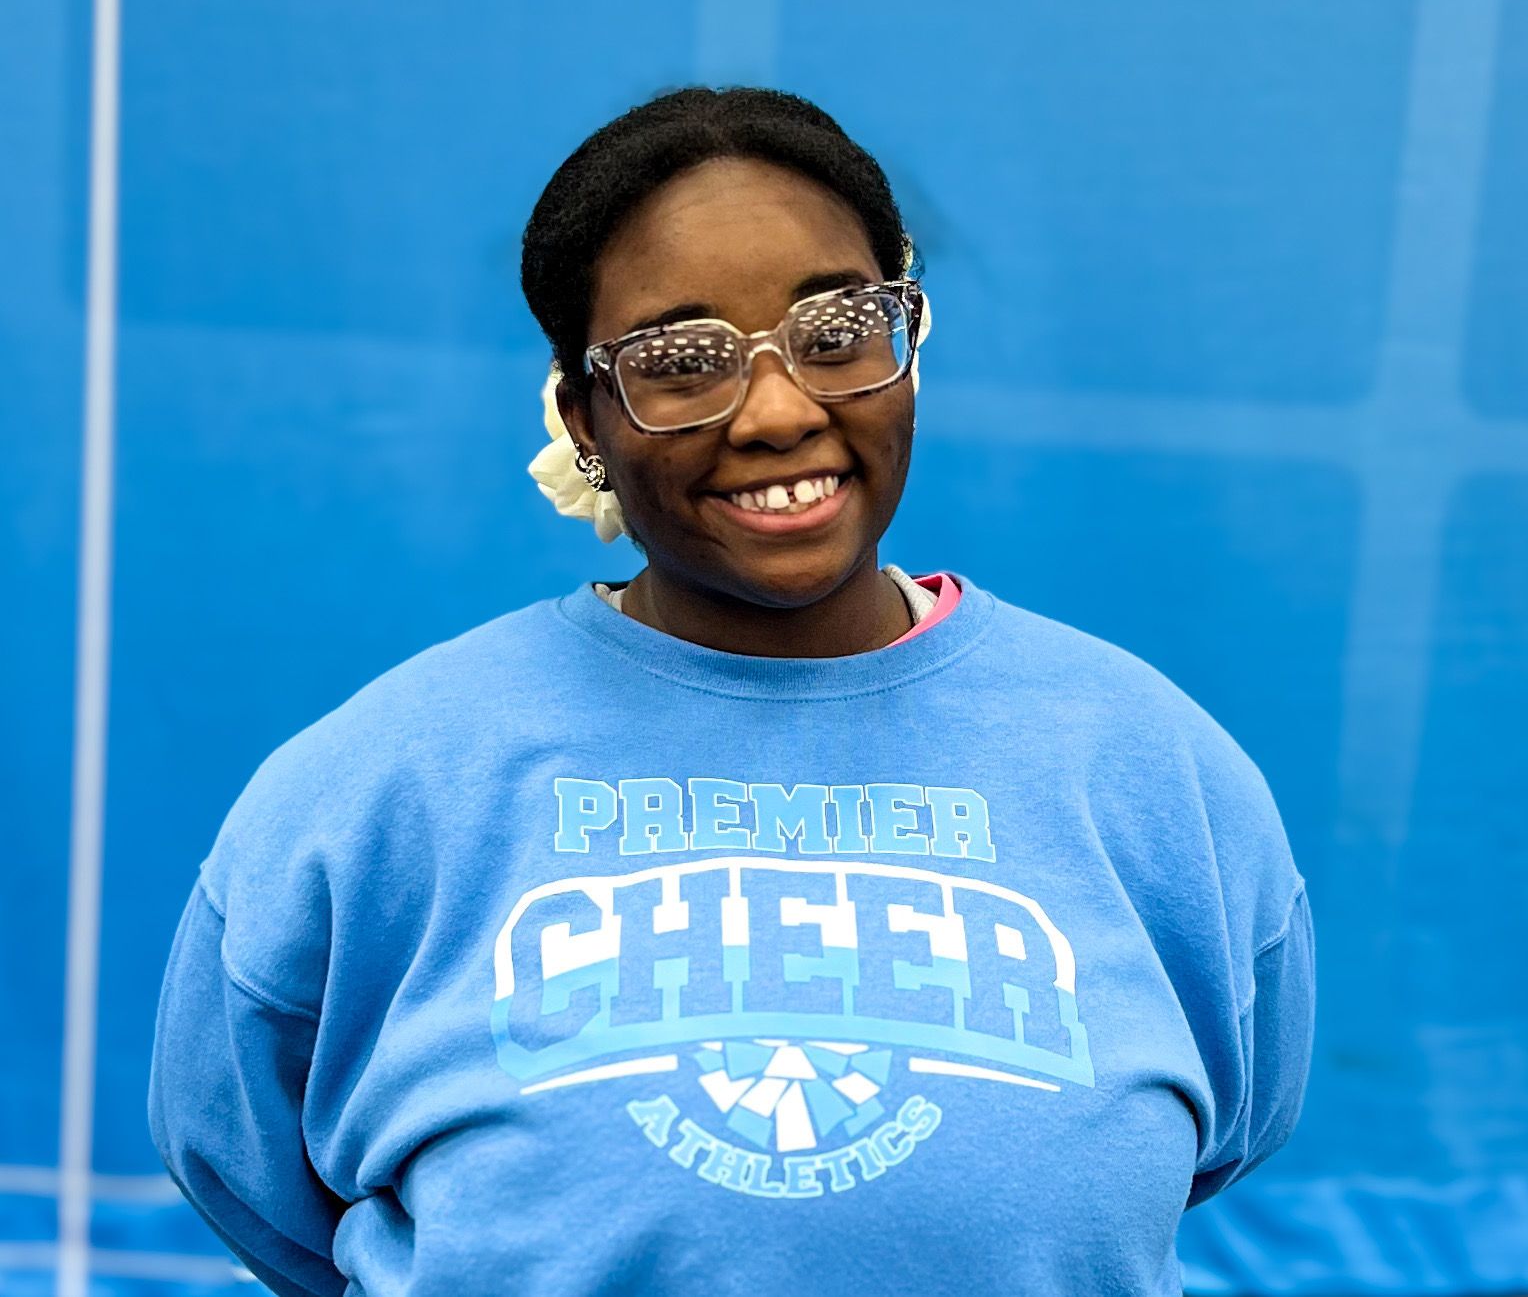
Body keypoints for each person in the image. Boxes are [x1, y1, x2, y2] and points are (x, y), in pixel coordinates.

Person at [148, 86, 1314, 1296]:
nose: (777, 411)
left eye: (838, 331)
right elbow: (249, 1173)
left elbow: (1217, 1132)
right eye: (682, 363)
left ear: (911, 344)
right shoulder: (378, 785)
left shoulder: (1146, 762)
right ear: (579, 415)